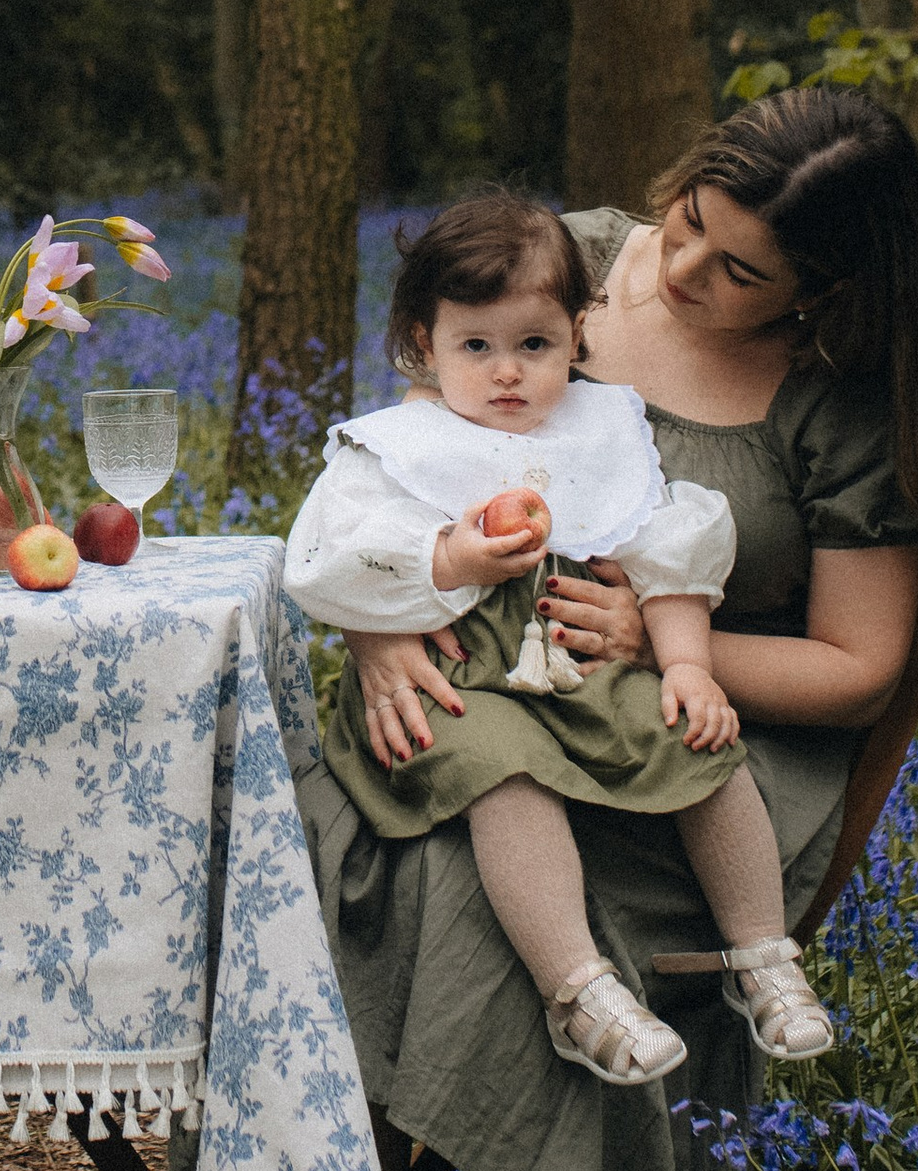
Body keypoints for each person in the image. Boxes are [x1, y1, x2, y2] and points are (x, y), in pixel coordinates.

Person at [292, 86, 918, 1171]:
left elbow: (860, 668)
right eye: (689, 226)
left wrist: (664, 639)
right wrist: (381, 627)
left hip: (708, 740)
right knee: (322, 835)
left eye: (742, 271)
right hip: (498, 699)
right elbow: (405, 468)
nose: (682, 273)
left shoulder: (843, 404)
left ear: (832, 288)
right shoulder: (564, 264)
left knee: (496, 907)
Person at [285, 192, 834, 1093]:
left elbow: (665, 552)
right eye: (477, 347)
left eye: (534, 346)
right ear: (425, 344)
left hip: (578, 669)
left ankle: (761, 955)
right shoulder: (400, 445)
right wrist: (450, 558)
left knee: (699, 744)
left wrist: (688, 663)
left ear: (576, 337)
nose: (507, 373)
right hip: (456, 682)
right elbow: (326, 563)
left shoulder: (600, 429)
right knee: (508, 776)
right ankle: (577, 990)